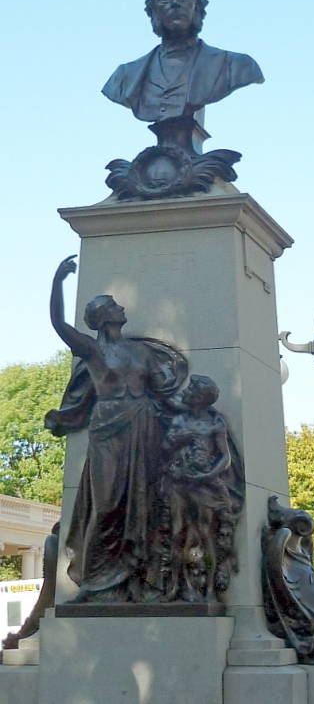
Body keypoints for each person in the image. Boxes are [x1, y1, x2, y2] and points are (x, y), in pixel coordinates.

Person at [48, 255, 187, 602]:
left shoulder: (141, 352)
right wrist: (58, 281)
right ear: (101, 317)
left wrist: (194, 415)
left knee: (142, 501)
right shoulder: (93, 349)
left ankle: (138, 576)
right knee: (106, 503)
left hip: (144, 424)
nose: (120, 306)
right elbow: (58, 323)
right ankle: (92, 579)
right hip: (108, 427)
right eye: (112, 304)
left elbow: (164, 395)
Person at [102, 0, 264, 125]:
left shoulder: (235, 65)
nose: (175, 2)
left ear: (197, 5)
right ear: (153, 9)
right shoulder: (124, 76)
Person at [159, 375, 235, 602]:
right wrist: (181, 439)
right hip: (178, 482)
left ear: (201, 398)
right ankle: (175, 586)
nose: (186, 390)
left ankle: (209, 589)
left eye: (191, 388)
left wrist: (209, 475)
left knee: (206, 535)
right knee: (176, 532)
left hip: (204, 486)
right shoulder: (179, 420)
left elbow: (225, 458)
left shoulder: (215, 423)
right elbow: (165, 446)